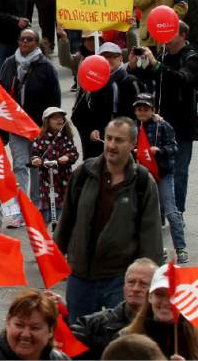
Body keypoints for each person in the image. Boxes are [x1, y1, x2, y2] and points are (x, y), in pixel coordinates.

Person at [54, 117, 163, 320]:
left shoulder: (142, 182)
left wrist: (149, 280)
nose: (111, 145)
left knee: (122, 341)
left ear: (132, 144)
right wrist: (53, 258)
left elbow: (151, 235)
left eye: (119, 140)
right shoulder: (84, 173)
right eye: (109, 138)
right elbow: (66, 220)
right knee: (79, 342)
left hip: (119, 279)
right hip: (81, 277)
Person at [129, 21, 198, 216]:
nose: (165, 35)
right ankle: (159, 211)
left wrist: (157, 65)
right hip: (160, 122)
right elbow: (149, 78)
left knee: (179, 171)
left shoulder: (192, 57)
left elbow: (181, 79)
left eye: (172, 31)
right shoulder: (164, 54)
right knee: (156, 167)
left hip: (183, 124)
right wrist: (135, 66)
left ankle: (177, 212)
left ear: (183, 35)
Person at [0, 27, 60, 215]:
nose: (25, 42)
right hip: (15, 126)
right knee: (19, 165)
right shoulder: (9, 64)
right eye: (22, 39)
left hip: (38, 127)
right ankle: (21, 209)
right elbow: (0, 93)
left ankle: (36, 205)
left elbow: (55, 98)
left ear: (36, 43)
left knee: (36, 165)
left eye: (30, 39)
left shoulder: (46, 67)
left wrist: (51, 125)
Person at [133, 93, 187, 262]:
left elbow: (174, 147)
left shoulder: (162, 125)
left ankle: (180, 248)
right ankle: (153, 250)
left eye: (146, 109)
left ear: (153, 110)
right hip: (142, 175)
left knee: (171, 212)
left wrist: (160, 151)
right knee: (148, 214)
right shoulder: (133, 126)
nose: (142, 112)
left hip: (162, 174)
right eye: (139, 109)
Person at [71, 258, 158, 359]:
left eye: (143, 284)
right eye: (131, 282)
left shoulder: (168, 329)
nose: (135, 288)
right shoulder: (92, 325)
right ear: (124, 287)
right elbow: (65, 345)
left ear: (155, 290)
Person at [72, 41, 143, 159]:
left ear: (120, 58)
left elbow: (142, 113)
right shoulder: (90, 82)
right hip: (97, 147)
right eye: (104, 57)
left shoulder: (131, 81)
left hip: (124, 145)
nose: (108, 60)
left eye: (112, 56)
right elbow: (77, 116)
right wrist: (89, 132)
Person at [122, 263, 198, 359]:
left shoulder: (195, 340)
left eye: (174, 295)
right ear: (149, 297)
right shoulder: (127, 339)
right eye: (160, 294)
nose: (166, 302)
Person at [0, 289, 68, 360]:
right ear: (8, 322)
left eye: (35, 328)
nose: (25, 334)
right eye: (19, 325)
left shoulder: (61, 359)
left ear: (51, 330)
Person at [30, 107, 79, 226]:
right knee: (46, 211)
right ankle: (44, 236)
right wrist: (36, 160)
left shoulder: (66, 138)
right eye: (55, 118)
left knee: (63, 211)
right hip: (47, 181)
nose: (60, 120)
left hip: (63, 181)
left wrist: (67, 157)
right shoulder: (40, 138)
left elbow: (73, 153)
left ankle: (62, 233)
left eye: (61, 118)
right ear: (48, 121)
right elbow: (34, 154)